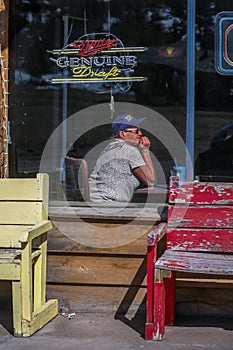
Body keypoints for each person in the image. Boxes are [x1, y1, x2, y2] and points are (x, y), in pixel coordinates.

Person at [88, 113, 156, 202]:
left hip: (94, 201)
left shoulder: (108, 147)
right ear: (122, 134)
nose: (140, 134)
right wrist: (145, 152)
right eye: (136, 131)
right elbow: (151, 181)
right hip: (109, 205)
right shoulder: (129, 150)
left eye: (140, 130)